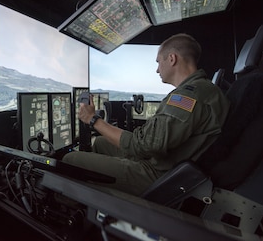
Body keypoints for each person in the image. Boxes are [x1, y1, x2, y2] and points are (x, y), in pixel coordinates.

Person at [62, 33, 230, 196]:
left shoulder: (189, 96)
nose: (157, 69)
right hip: (164, 161)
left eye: (159, 62)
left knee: (71, 159)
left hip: (160, 174)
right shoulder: (201, 90)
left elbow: (143, 145)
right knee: (99, 142)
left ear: (172, 59)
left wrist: (93, 120)